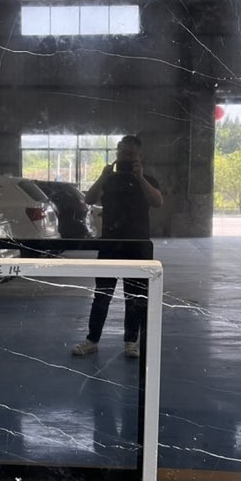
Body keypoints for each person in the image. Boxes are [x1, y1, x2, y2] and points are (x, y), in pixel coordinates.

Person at [72, 135, 163, 358]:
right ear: (117, 154)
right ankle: (92, 340)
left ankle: (131, 342)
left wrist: (140, 177)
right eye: (122, 153)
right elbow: (89, 199)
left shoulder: (148, 179)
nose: (126, 158)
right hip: (110, 246)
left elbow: (158, 202)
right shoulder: (109, 180)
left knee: (135, 297)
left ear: (140, 156)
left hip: (137, 247)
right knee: (102, 295)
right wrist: (103, 176)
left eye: (131, 154)